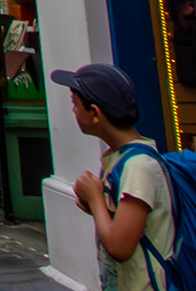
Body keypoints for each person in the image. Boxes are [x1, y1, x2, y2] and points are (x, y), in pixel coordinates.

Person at [57, 63, 175, 291]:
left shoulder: (139, 166)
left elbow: (120, 247)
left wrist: (96, 200)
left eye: (75, 104)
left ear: (95, 113)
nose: (73, 111)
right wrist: (98, 206)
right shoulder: (120, 159)